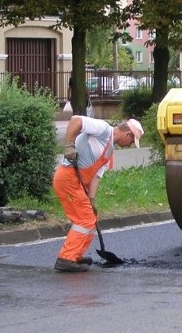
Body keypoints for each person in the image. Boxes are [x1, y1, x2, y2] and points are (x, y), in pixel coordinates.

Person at [53, 115, 144, 272]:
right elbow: (75, 120)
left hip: (77, 184)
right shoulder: (103, 130)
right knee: (85, 220)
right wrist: (69, 146)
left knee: (91, 218)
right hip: (68, 179)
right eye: (131, 141)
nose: (128, 145)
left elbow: (95, 176)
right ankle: (66, 258)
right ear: (128, 134)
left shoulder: (109, 152)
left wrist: (92, 200)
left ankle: (75, 255)